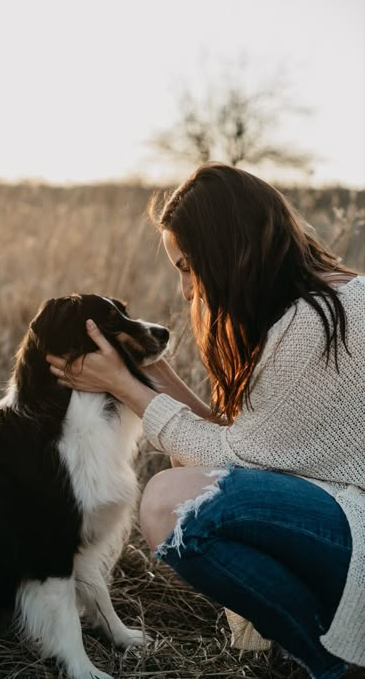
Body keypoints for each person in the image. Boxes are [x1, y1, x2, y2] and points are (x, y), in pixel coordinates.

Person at [46, 163, 365, 679]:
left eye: (187, 267)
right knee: (183, 490)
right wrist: (148, 365)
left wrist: (124, 387)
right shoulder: (314, 304)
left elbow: (230, 458)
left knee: (172, 503)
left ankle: (332, 662)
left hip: (359, 532)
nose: (187, 290)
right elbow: (240, 441)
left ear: (226, 250)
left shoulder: (320, 322)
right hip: (344, 521)